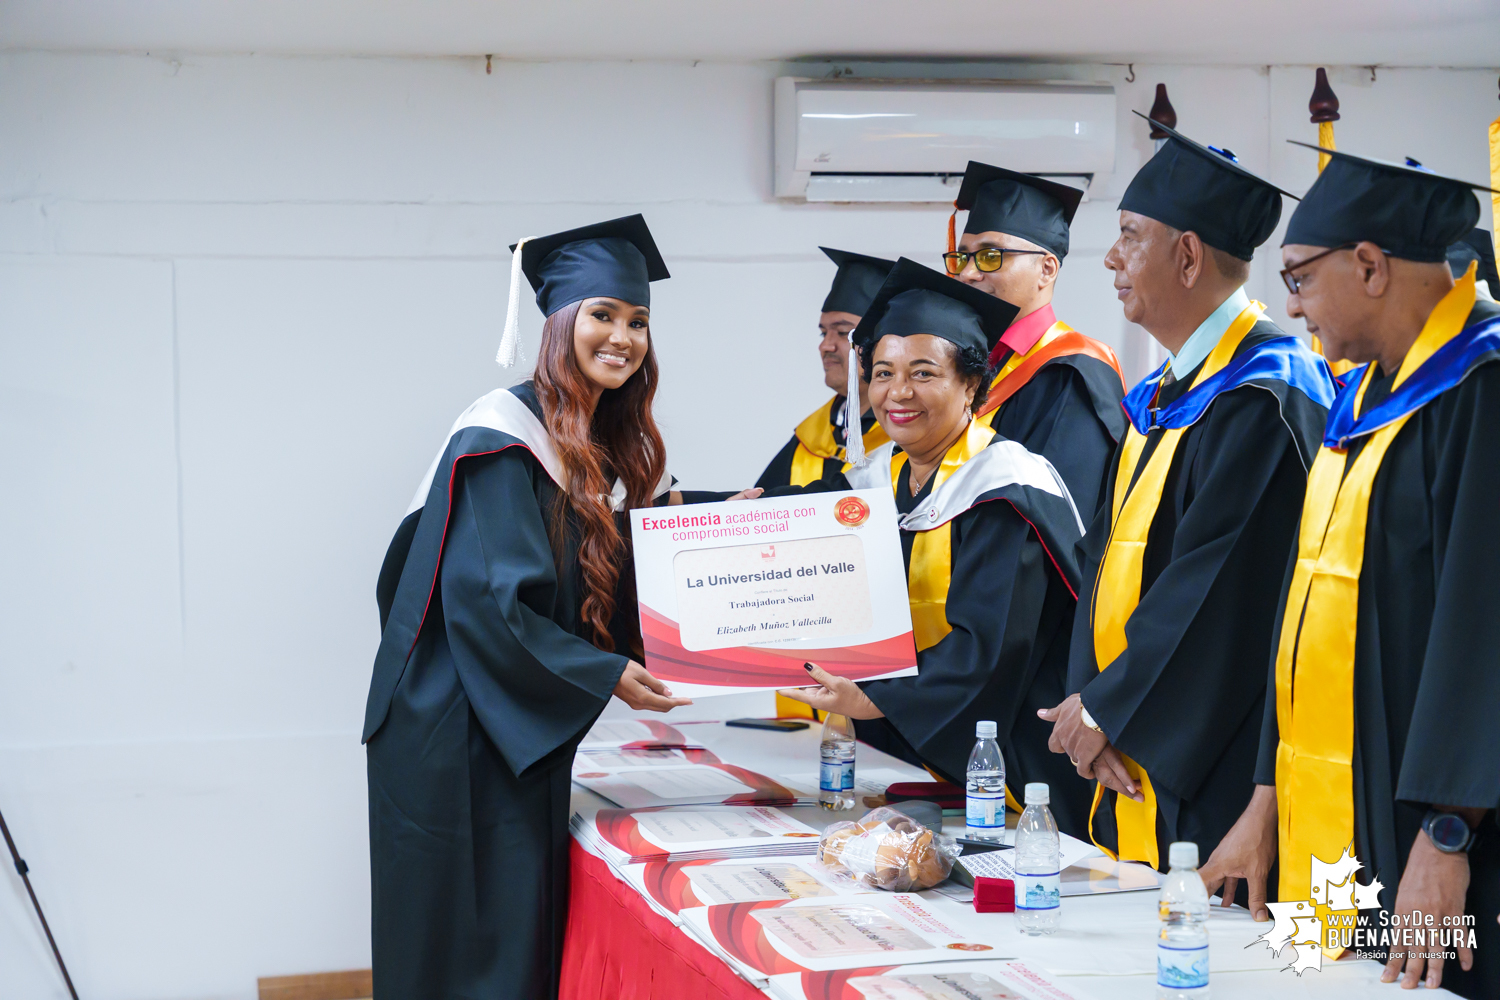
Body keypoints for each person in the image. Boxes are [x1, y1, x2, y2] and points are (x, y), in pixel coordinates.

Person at [362, 215, 752, 1000]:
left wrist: (725, 526)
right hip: (455, 733)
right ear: (557, 325)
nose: (624, 336)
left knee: (513, 930)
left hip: (495, 722)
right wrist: (603, 672)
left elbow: (598, 558)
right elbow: (489, 605)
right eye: (602, 315)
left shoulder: (579, 437)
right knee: (471, 949)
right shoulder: (500, 439)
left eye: (637, 320)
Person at [1199, 147, 1500, 998]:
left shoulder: (1481, 389)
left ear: (1370, 265)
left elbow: (1485, 629)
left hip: (1437, 837)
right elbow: (1307, 616)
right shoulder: (1362, 396)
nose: (1290, 306)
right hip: (1343, 813)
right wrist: (1266, 801)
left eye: (1298, 278)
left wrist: (1447, 839)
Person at [1039, 119, 1337, 879]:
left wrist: (1109, 710)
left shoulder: (1266, 395)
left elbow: (1221, 588)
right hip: (1133, 743)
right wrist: (1091, 701)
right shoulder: (1163, 394)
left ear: (1188, 254)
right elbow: (1100, 559)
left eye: (1129, 235)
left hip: (1215, 761)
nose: (1110, 257)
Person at [774, 258, 1094, 835]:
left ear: (972, 384)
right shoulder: (882, 479)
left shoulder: (1004, 487)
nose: (898, 392)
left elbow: (989, 651)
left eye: (924, 373)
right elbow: (789, 516)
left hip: (1017, 763)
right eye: (882, 372)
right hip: (919, 761)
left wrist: (876, 699)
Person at [945, 161, 1128, 523]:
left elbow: (1058, 523)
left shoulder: (1074, 373)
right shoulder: (972, 366)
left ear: (1047, 268)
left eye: (990, 255)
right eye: (962, 256)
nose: (967, 273)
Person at [756, 248, 896, 490]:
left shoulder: (904, 438)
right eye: (823, 332)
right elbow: (762, 506)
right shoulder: (815, 433)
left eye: (843, 333)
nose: (825, 345)